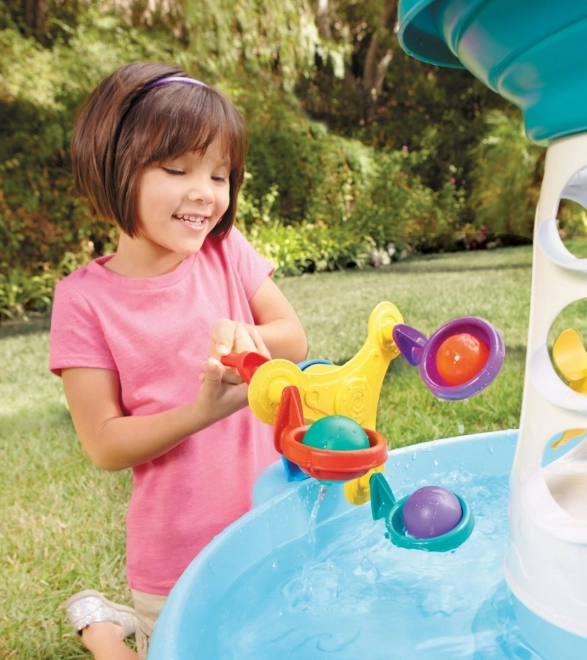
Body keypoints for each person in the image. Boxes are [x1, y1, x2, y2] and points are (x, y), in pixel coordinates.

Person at [49, 61, 308, 659]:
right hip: (177, 556)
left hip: (271, 518)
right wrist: (201, 412)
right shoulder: (84, 301)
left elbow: (293, 337)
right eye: (177, 168)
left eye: (220, 175)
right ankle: (104, 630)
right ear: (112, 165)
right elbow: (105, 444)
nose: (206, 193)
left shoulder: (226, 253)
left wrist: (252, 336)